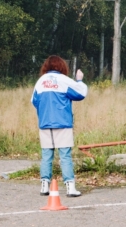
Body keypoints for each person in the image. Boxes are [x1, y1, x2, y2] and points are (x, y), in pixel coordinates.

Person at [31, 56, 88, 197]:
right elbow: (81, 93)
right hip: (62, 123)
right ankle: (70, 188)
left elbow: (34, 101)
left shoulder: (41, 81)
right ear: (62, 66)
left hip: (45, 123)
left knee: (46, 156)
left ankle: (44, 186)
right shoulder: (64, 80)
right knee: (65, 156)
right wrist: (79, 79)